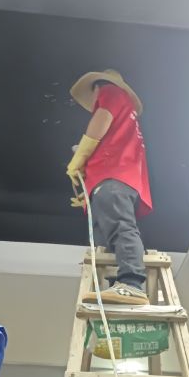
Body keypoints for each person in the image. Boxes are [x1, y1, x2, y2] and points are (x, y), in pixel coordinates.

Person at [67, 69, 152, 305]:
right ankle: (119, 286)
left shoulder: (111, 92)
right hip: (115, 181)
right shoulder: (127, 119)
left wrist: (80, 157)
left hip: (112, 179)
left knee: (120, 227)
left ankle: (131, 283)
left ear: (97, 88)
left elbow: (99, 124)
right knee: (108, 238)